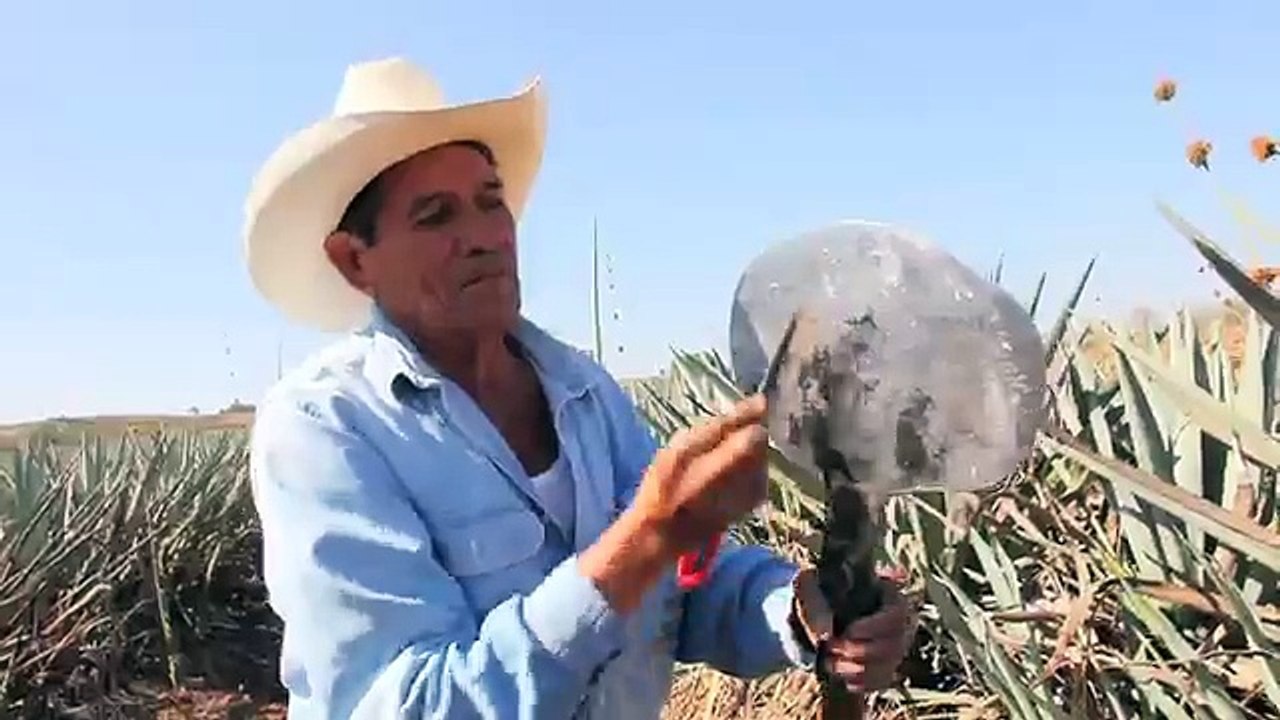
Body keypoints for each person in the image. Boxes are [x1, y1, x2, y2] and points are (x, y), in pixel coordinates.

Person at [242, 56, 915, 719]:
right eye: (435, 216)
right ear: (355, 260)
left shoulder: (584, 394)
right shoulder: (326, 428)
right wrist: (649, 532)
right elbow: (412, 704)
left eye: (489, 202)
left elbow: (684, 593)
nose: (482, 237)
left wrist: (800, 610)